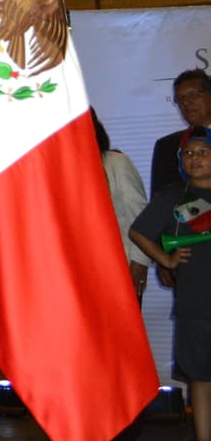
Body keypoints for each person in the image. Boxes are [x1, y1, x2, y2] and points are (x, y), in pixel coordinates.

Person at [130, 125, 211, 441]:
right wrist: (165, 258)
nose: (195, 159)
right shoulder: (174, 198)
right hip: (195, 305)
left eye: (203, 152)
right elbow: (138, 232)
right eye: (188, 154)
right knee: (201, 378)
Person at [93, 109, 149, 301]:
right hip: (77, 271)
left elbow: (140, 215)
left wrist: (140, 260)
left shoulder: (116, 162)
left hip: (120, 268)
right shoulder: (58, 168)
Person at [152, 70, 211, 194]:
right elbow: (159, 198)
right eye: (180, 98)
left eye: (193, 94)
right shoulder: (166, 146)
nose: (186, 102)